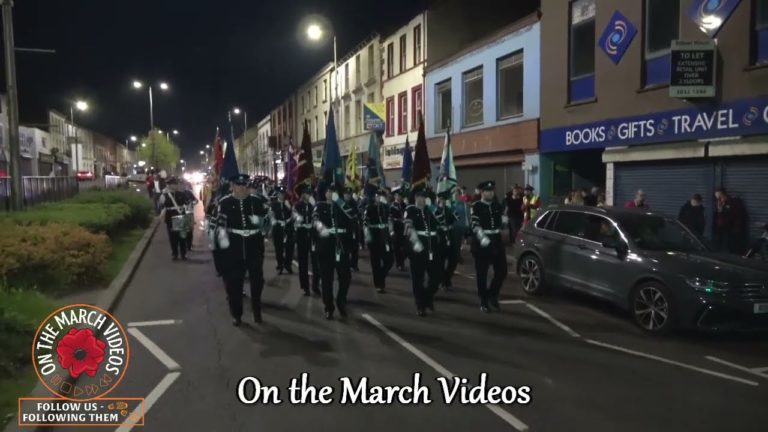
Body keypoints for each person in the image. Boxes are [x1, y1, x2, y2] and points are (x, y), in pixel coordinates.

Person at [215, 174, 270, 326]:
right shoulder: (225, 203)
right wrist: (221, 249)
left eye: (244, 185)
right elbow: (220, 227)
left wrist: (261, 224)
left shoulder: (256, 201)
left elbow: (266, 224)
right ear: (232, 186)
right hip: (234, 246)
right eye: (238, 185)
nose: (242, 188)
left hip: (254, 245)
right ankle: (236, 313)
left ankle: (257, 310)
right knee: (234, 283)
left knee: (257, 281)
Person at [313, 183, 354, 320]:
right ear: (325, 193)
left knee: (345, 277)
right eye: (329, 191)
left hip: (340, 245)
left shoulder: (342, 206)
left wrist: (339, 201)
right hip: (325, 246)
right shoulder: (320, 206)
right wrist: (321, 229)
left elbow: (352, 215)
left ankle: (341, 301)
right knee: (327, 279)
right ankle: (328, 307)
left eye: (334, 192)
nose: (331, 194)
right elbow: (315, 220)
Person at [404, 189, 443, 316]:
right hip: (418, 248)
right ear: (415, 198)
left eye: (424, 198)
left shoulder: (430, 210)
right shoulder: (410, 210)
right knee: (418, 278)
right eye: (419, 197)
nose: (421, 200)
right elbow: (408, 227)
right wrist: (415, 241)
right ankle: (420, 304)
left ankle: (427, 298)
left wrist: (431, 206)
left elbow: (442, 220)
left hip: (432, 247)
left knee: (436, 277)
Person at [472, 180, 508, 313]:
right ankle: (483, 301)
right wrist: (482, 237)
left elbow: (501, 224)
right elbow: (475, 225)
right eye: (487, 191)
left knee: (502, 271)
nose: (490, 193)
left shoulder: (497, 205)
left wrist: (504, 221)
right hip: (482, 243)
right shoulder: (476, 206)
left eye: (492, 190)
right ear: (482, 192)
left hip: (496, 240)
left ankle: (492, 294)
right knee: (482, 274)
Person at [364, 188, 394, 293]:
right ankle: (379, 284)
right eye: (378, 196)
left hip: (385, 236)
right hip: (375, 236)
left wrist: (391, 231)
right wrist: (367, 237)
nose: (379, 198)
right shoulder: (369, 208)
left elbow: (390, 220)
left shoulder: (386, 207)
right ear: (375, 197)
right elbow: (365, 223)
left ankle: (381, 276)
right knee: (375, 262)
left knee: (389, 260)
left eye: (381, 196)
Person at [293, 185, 320, 296]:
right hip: (302, 234)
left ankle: (315, 285)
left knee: (316, 262)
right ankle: (305, 286)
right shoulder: (297, 206)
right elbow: (295, 220)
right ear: (303, 194)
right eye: (307, 193)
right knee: (303, 262)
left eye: (310, 193)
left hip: (312, 236)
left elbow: (317, 219)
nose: (309, 196)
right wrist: (299, 220)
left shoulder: (314, 206)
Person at [159, 177, 193, 261]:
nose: (175, 185)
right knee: (172, 237)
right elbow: (161, 205)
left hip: (181, 216)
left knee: (182, 236)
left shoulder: (181, 194)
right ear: (169, 185)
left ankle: (183, 254)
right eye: (173, 184)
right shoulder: (164, 195)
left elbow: (188, 202)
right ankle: (175, 253)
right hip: (170, 217)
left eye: (175, 184)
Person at [436, 190, 460, 290]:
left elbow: (458, 218)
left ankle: (446, 278)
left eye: (444, 200)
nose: (442, 201)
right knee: (440, 261)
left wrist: (452, 208)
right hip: (440, 235)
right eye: (441, 199)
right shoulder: (435, 210)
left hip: (450, 234)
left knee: (454, 259)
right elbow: (437, 221)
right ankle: (444, 281)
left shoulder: (449, 209)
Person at [713, 188, 747, 254]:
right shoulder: (720, 205)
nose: (718, 200)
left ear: (724, 195)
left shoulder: (733, 203)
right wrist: (719, 210)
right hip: (724, 233)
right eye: (717, 198)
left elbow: (732, 219)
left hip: (733, 233)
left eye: (720, 198)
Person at [270, 186, 295, 274]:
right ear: (278, 195)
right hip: (278, 227)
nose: (282, 196)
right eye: (280, 194)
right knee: (279, 248)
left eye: (283, 194)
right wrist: (274, 222)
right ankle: (280, 265)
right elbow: (272, 215)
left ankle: (288, 265)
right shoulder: (274, 204)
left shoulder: (288, 203)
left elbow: (293, 214)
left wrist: (290, 207)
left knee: (289, 248)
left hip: (288, 227)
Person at [390, 187, 408, 271]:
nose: (399, 197)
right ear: (395, 196)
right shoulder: (392, 206)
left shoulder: (405, 205)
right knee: (397, 247)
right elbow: (390, 219)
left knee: (406, 247)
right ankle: (399, 264)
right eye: (397, 195)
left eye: (400, 196)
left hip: (403, 228)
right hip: (396, 227)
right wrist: (391, 230)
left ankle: (401, 261)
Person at [343, 187, 361, 272]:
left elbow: (354, 213)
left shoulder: (354, 203)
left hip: (353, 227)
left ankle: (354, 264)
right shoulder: (341, 203)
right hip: (344, 228)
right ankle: (345, 264)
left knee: (354, 247)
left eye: (349, 194)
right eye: (346, 194)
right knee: (345, 248)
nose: (348, 196)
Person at [182, 180, 199, 252]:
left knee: (190, 230)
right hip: (181, 214)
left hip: (189, 213)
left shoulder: (189, 192)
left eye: (183, 185)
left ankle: (189, 245)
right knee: (183, 230)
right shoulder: (177, 194)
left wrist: (192, 203)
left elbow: (196, 200)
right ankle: (184, 244)